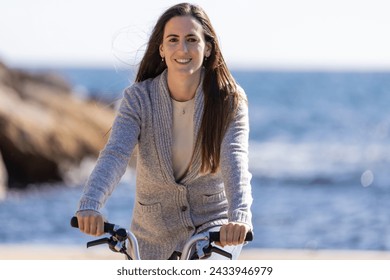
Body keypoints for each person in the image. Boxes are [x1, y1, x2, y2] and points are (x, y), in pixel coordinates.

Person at [75, 2, 253, 260]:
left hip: (213, 231)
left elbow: (235, 160)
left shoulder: (229, 100)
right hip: (150, 238)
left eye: (192, 39)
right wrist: (90, 203)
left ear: (207, 48)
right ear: (161, 49)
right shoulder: (138, 98)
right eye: (173, 40)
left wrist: (239, 218)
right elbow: (116, 154)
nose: (183, 48)